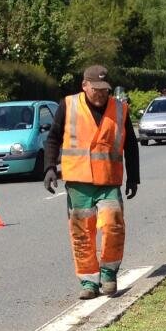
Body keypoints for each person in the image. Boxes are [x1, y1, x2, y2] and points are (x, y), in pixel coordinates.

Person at [42, 65, 141, 299]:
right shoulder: (68, 105)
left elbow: (131, 145)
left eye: (104, 89)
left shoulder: (120, 109)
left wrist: (134, 177)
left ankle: (108, 274)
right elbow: (53, 138)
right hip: (79, 182)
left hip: (109, 180)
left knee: (112, 226)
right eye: (95, 89)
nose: (100, 93)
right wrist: (49, 168)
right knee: (82, 232)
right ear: (84, 85)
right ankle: (88, 282)